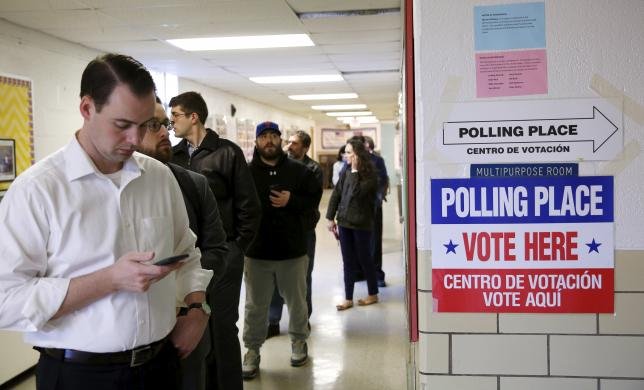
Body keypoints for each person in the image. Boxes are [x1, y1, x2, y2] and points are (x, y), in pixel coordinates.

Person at [0, 53, 213, 390]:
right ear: (87, 109)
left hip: (161, 366)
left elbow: (186, 252)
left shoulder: (159, 177)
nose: (135, 138)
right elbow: (5, 299)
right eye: (122, 125)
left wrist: (197, 308)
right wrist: (110, 280)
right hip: (80, 376)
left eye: (145, 125)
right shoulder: (38, 191)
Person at [170, 91, 261, 390]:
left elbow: (250, 206)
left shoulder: (227, 152)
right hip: (187, 260)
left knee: (221, 327)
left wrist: (236, 250)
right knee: (193, 327)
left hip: (223, 257)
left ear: (193, 117)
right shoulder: (173, 157)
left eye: (176, 116)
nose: (171, 123)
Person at [138, 97, 229, 390]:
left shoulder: (192, 183)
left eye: (165, 123)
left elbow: (215, 249)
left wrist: (193, 305)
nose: (165, 132)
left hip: (185, 324)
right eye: (154, 125)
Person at [242, 121, 322, 380]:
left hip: (292, 252)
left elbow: (312, 205)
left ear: (280, 140)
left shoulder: (300, 172)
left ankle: (299, 342)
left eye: (273, 136)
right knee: (255, 306)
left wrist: (292, 201)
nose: (268, 141)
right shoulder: (245, 173)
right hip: (257, 254)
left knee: (297, 302)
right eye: (263, 136)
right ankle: (252, 350)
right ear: (256, 142)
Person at [267, 130, 323, 339]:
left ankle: (301, 320)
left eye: (295, 143)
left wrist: (290, 200)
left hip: (302, 232)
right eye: (289, 142)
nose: (290, 146)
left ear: (306, 147)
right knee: (274, 277)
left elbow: (310, 203)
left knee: (302, 277)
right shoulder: (279, 166)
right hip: (278, 231)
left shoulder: (313, 170)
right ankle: (272, 321)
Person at [326, 137, 379, 311]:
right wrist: (329, 217)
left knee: (364, 259)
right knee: (347, 261)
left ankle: (372, 294)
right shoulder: (345, 171)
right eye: (345, 152)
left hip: (361, 224)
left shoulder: (370, 174)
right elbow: (336, 194)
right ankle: (348, 298)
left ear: (357, 155)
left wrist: (355, 171)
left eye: (349, 153)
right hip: (345, 222)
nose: (345, 155)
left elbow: (357, 193)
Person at [364, 135, 389, 287]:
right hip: (356, 209)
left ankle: (377, 274)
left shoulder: (377, 161)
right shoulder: (353, 162)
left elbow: (384, 180)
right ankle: (361, 272)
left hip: (373, 206)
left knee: (374, 241)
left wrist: (379, 197)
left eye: (367, 147)